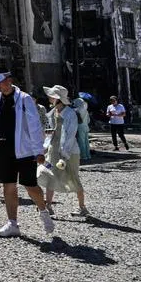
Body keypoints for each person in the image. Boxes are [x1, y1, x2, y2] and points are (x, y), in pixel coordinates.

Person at [0, 72, 55, 237]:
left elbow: (35, 126)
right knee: (8, 186)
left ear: (9, 81)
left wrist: (39, 151)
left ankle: (44, 211)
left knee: (30, 186)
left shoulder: (25, 99)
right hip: (3, 148)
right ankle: (13, 223)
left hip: (25, 150)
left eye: (0, 83)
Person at [39, 86, 89, 217]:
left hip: (69, 152)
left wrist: (64, 155)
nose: (49, 97)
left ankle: (82, 207)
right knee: (49, 174)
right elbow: (50, 132)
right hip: (53, 149)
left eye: (52, 96)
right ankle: (48, 206)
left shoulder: (70, 114)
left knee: (73, 177)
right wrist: (45, 146)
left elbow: (71, 135)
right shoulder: (53, 112)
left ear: (58, 99)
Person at [71, 96, 92, 162]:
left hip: (80, 127)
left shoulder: (76, 110)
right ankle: (88, 155)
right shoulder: (86, 110)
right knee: (86, 142)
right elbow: (88, 120)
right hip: (86, 126)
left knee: (81, 142)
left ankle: (83, 156)